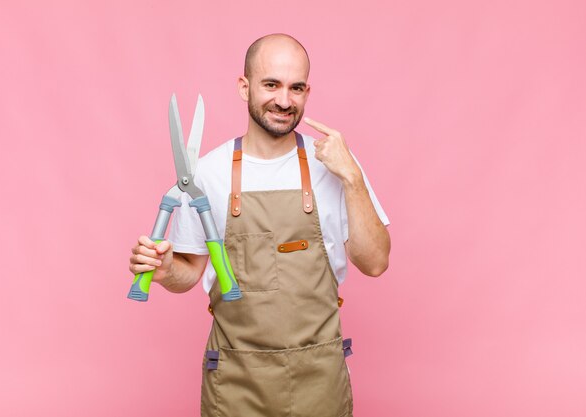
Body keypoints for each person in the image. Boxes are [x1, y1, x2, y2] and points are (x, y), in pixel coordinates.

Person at [129, 33, 391, 417]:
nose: (284, 101)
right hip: (236, 383)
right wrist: (167, 270)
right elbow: (189, 272)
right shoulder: (208, 173)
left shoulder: (336, 167)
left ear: (307, 91)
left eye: (296, 88)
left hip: (319, 379)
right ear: (244, 86)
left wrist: (352, 177)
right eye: (271, 84)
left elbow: (375, 262)